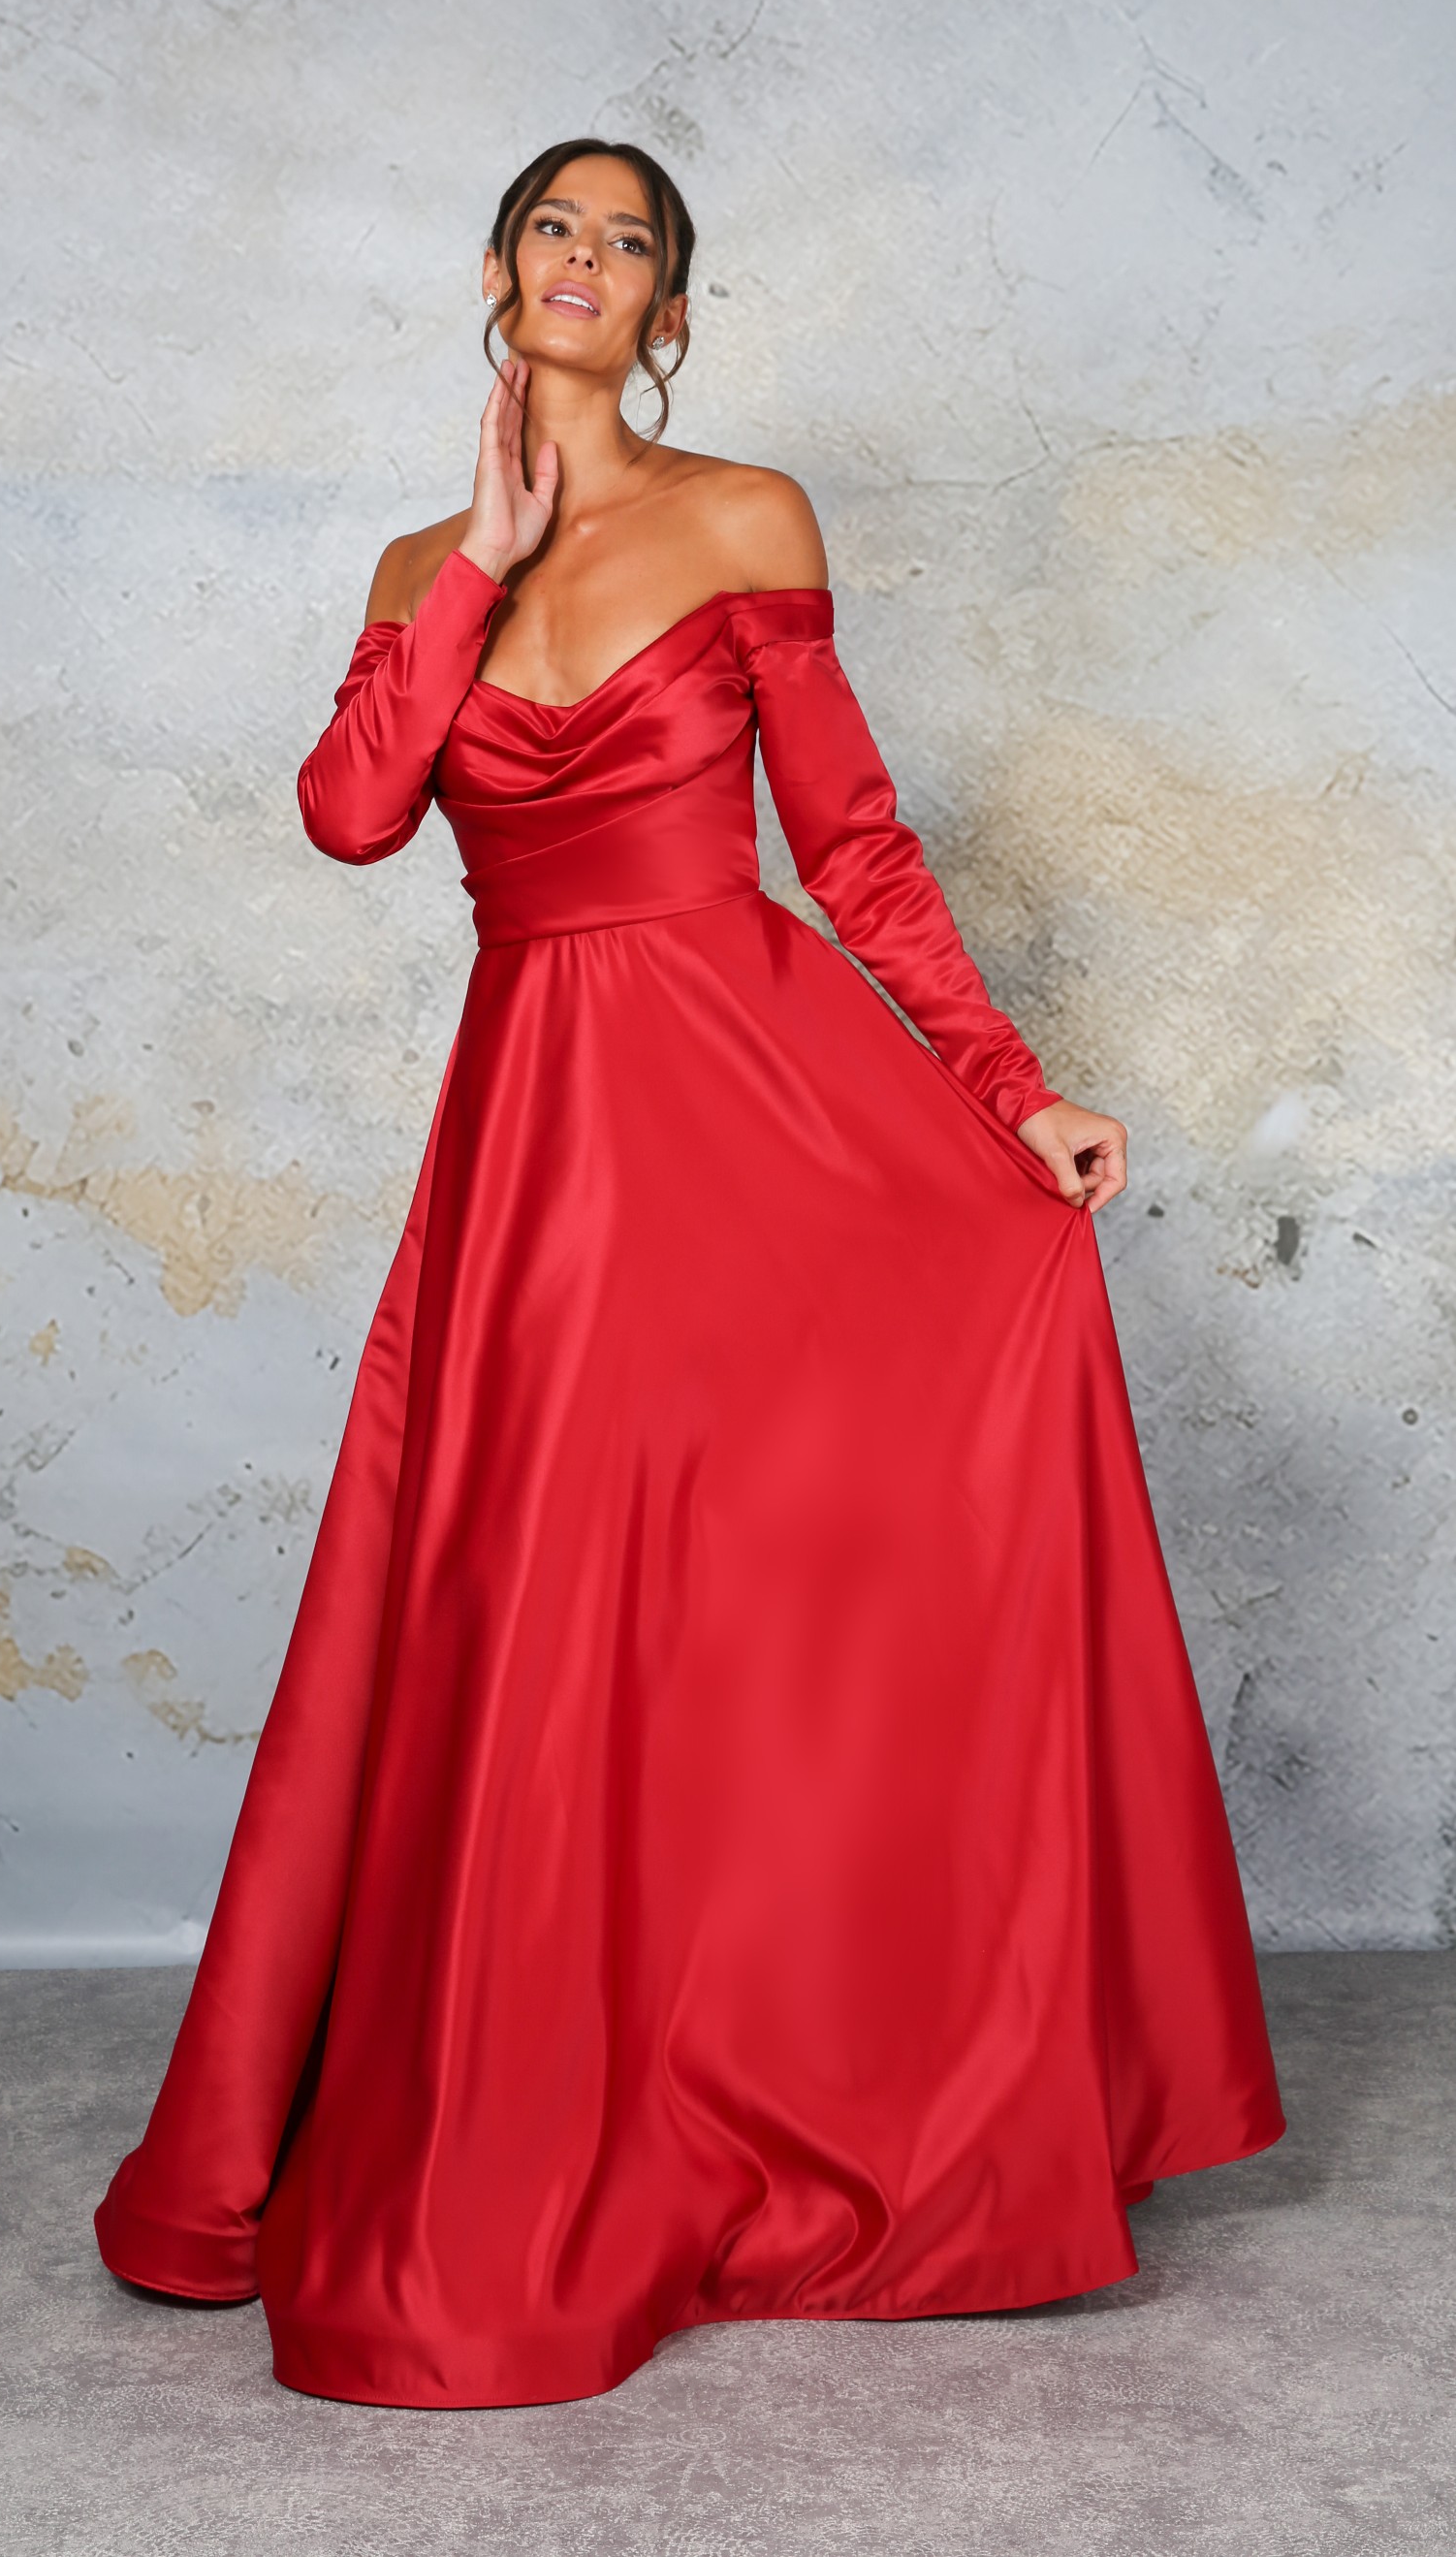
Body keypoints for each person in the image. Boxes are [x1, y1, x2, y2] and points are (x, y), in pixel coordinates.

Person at [94, 137, 1283, 2409]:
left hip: (744, 1112)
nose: (585, 258)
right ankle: (559, 2102)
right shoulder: (418, 564)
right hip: (535, 1142)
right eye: (554, 226)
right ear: (495, 270)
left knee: (748, 1593)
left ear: (668, 312)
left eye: (628, 242)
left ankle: (851, 2085)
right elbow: (351, 816)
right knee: (534, 1602)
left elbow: (847, 842)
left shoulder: (745, 519)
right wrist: (481, 565)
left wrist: (1006, 1087)